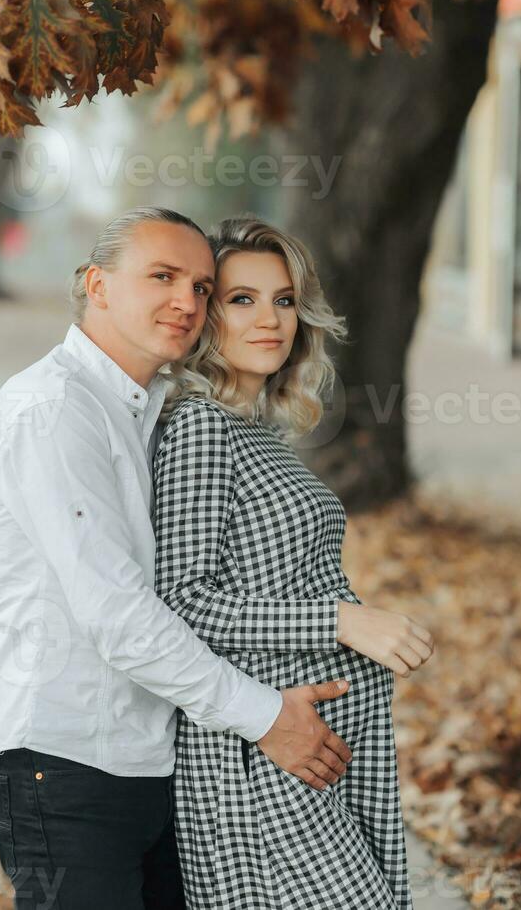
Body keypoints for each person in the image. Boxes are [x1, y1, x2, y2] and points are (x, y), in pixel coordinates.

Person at [0, 207, 355, 910]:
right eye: (163, 277)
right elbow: (118, 617)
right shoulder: (53, 410)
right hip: (61, 765)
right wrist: (266, 716)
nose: (187, 301)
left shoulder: (148, 409)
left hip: (153, 762)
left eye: (203, 287)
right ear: (99, 286)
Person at [153, 214, 435, 910]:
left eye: (283, 299)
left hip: (321, 744)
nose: (270, 318)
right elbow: (183, 599)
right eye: (242, 299)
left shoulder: (262, 432)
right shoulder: (198, 427)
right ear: (207, 314)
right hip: (258, 756)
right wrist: (342, 621)